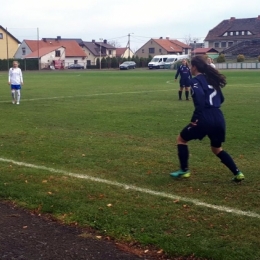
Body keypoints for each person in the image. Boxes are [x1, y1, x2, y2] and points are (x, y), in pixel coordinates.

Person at [170, 55, 244, 182]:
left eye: (191, 66)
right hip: (218, 116)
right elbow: (221, 99)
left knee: (181, 140)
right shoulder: (212, 80)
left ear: (194, 67)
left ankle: (184, 170)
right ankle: (237, 172)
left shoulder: (195, 81)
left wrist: (195, 118)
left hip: (204, 117)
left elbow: (199, 100)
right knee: (217, 149)